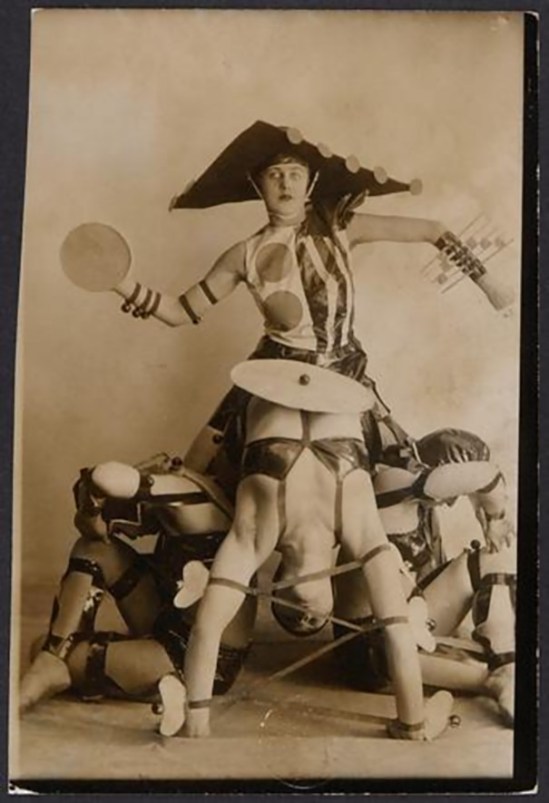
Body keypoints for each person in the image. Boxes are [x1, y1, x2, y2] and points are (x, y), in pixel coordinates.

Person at [107, 120, 503, 496]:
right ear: (257, 184)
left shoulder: (341, 227)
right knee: (197, 465)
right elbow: (179, 311)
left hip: (344, 368)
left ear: (311, 181)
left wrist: (487, 283)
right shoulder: (243, 254)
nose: (285, 183)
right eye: (274, 174)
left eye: (295, 173)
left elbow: (432, 230)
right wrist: (119, 282)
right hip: (272, 369)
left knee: (401, 465)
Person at [18, 453, 257, 736]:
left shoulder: (189, 500)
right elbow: (95, 530)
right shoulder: (178, 501)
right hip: (168, 621)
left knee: (41, 647)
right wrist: (93, 515)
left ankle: (164, 685)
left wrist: (102, 499)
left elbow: (106, 477)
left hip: (200, 658)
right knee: (93, 549)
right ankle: (55, 659)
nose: (126, 532)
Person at [328, 428, 516, 727]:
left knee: (492, 556)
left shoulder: (420, 501)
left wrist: (477, 503)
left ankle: (506, 662)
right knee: (397, 651)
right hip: (368, 646)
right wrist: (495, 516)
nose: (451, 502)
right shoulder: (392, 482)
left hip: (409, 618)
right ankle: (491, 681)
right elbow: (486, 474)